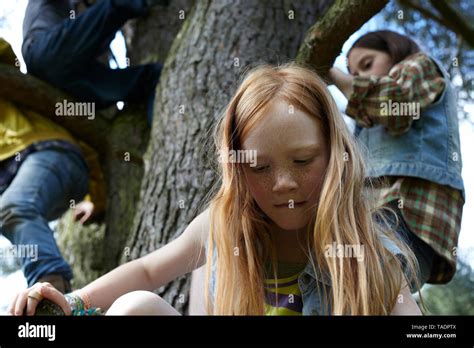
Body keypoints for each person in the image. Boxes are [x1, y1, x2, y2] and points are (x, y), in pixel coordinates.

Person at [9, 63, 421, 316]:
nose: (284, 183)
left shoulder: (369, 249)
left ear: (336, 154)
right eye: (259, 166)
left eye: (303, 160)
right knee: (136, 307)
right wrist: (74, 302)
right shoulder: (225, 225)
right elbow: (148, 270)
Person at [329, 30, 465, 289]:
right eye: (355, 75)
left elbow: (395, 105)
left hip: (410, 207)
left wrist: (333, 75)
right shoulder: (364, 117)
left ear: (394, 49)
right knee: (359, 289)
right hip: (376, 212)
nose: (361, 78)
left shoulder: (419, 65)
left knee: (369, 279)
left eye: (367, 64)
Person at [0, 38, 106, 294]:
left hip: (52, 154)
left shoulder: (9, 99)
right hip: (40, 191)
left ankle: (50, 289)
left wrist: (98, 197)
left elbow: (6, 55)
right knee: (12, 209)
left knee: (13, 208)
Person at [22, 0, 169, 124]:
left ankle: (166, 141)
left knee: (151, 78)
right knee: (117, 5)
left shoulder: (86, 27)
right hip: (44, 55)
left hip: (71, 85)